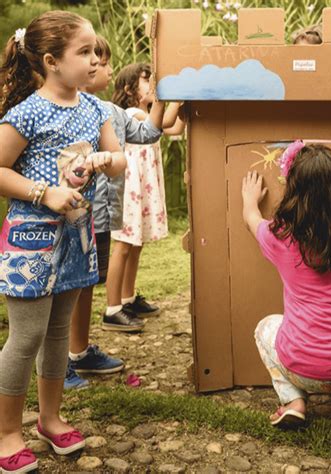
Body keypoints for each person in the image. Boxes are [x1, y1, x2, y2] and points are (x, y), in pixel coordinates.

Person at [0, 11, 126, 473]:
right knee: (26, 336)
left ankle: (50, 418)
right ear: (52, 61)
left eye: (96, 51)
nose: (95, 60)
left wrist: (108, 159)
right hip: (32, 238)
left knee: (58, 334)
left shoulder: (96, 109)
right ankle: (7, 432)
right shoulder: (27, 112)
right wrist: (44, 192)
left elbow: (118, 159)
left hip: (77, 236)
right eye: (85, 52)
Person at [65, 36, 177, 389]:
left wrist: (161, 94)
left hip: (98, 216)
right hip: (70, 214)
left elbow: (148, 132)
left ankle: (78, 354)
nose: (106, 68)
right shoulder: (62, 109)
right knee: (66, 289)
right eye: (97, 59)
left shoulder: (108, 111)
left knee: (84, 286)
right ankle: (59, 361)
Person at [242, 142, 331, 431]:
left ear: (293, 188)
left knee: (266, 327)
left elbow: (252, 221)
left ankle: (294, 402)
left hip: (305, 365)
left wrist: (250, 200)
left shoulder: (281, 236)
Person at [104, 63, 183, 331]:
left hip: (141, 188)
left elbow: (175, 128)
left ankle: (127, 297)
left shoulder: (147, 114)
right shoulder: (132, 113)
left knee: (135, 245)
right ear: (129, 89)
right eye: (146, 81)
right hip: (129, 189)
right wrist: (176, 94)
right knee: (124, 244)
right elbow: (167, 122)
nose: (151, 85)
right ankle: (112, 308)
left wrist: (184, 101)